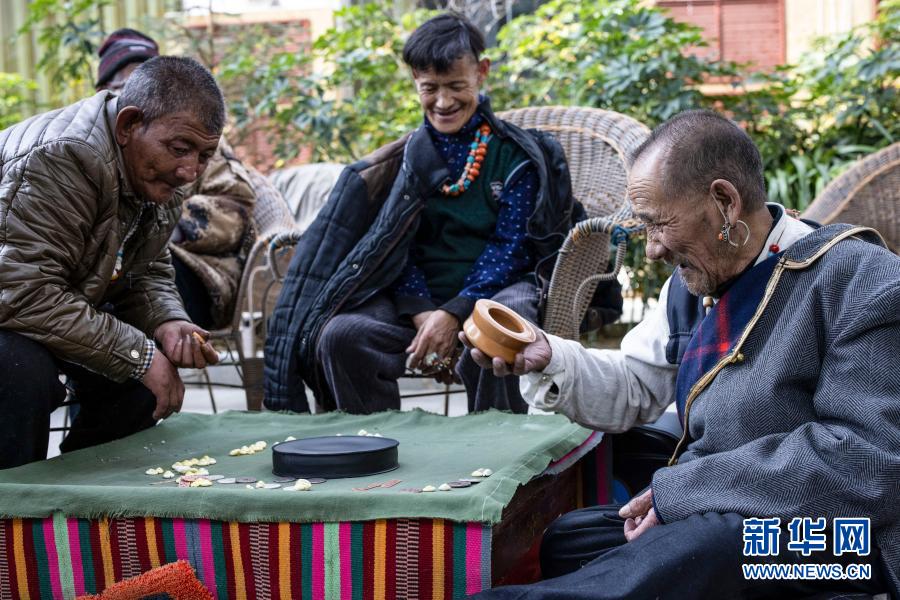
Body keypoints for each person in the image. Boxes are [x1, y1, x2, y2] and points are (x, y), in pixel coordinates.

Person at [466, 110, 900, 598]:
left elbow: (867, 461)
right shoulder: (696, 281)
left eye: (658, 224)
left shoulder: (861, 280)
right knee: (570, 541)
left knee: (716, 545)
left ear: (724, 202)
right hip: (721, 508)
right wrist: (547, 355)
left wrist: (686, 490)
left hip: (847, 542)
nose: (652, 250)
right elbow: (635, 384)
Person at [264, 13, 610, 414]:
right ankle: (375, 442)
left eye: (456, 86)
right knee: (341, 335)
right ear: (415, 79)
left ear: (481, 72)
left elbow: (511, 249)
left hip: (495, 293)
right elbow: (394, 245)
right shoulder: (406, 159)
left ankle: (497, 442)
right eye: (429, 88)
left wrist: (457, 312)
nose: (443, 102)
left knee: (499, 331)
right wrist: (421, 310)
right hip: (417, 301)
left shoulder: (515, 155)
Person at [0, 56, 224, 469]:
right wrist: (140, 355)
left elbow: (147, 269)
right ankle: (16, 501)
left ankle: (85, 493)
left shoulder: (155, 175)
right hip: (13, 306)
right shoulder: (65, 157)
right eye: (180, 149)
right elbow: (21, 291)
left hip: (31, 306)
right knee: (19, 371)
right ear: (128, 125)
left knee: (137, 380)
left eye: (205, 155)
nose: (190, 171)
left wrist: (167, 321)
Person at [96, 29, 257, 330]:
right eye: (127, 86)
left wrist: (166, 227)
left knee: (134, 288)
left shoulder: (201, 141)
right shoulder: (90, 148)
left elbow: (236, 208)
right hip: (110, 270)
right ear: (103, 91)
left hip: (197, 270)